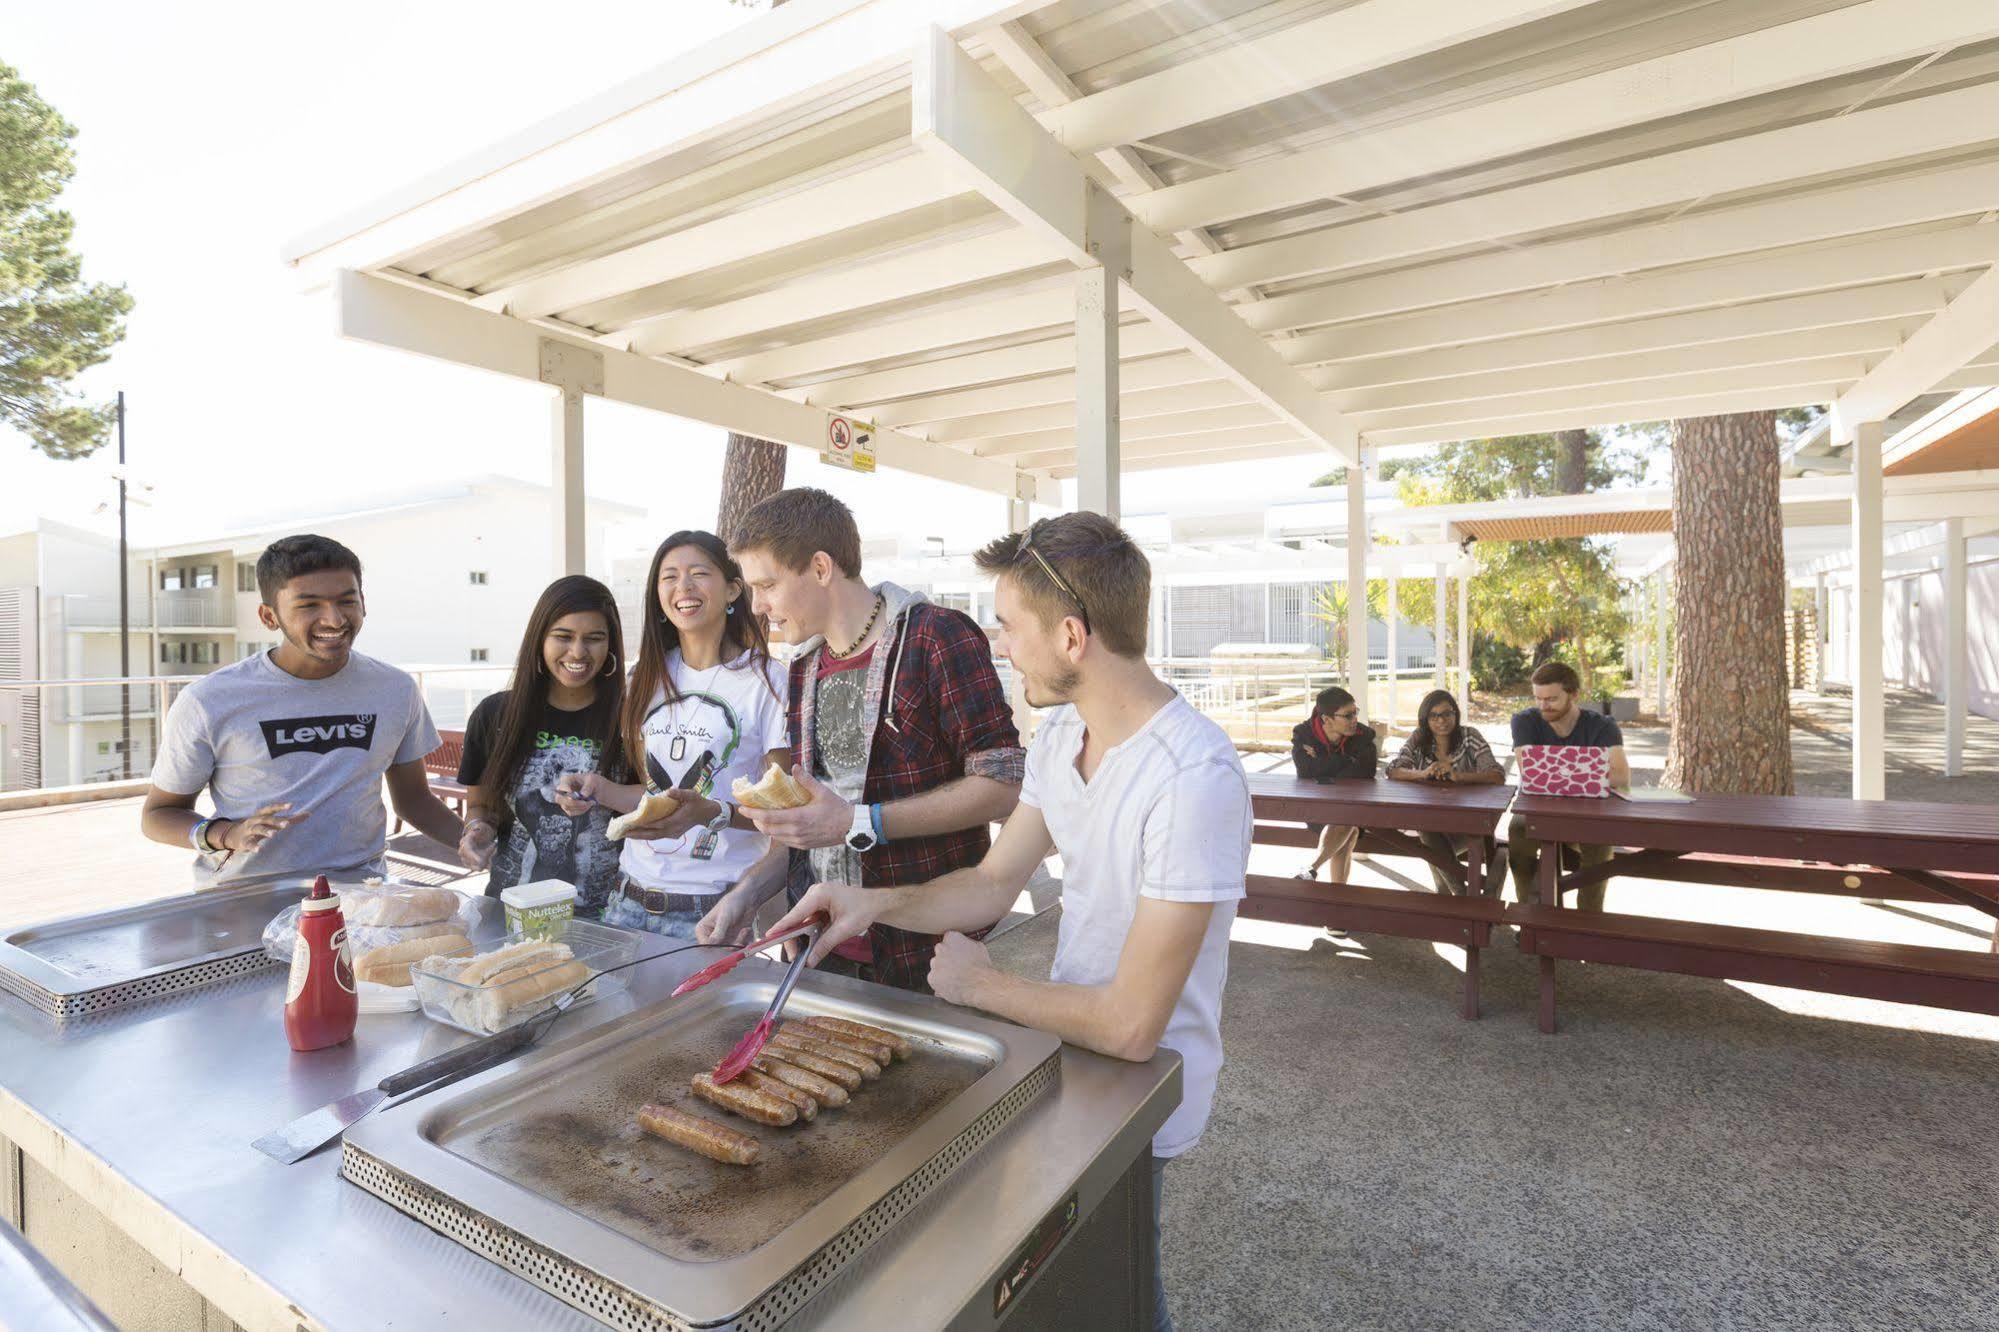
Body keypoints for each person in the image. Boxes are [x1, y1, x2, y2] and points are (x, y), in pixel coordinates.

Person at [769, 511, 1249, 1332]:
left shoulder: (1192, 777)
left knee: (1120, 1292)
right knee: (1057, 1291)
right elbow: (993, 883)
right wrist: (868, 905)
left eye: (1008, 626)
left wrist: (985, 986)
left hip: (1140, 1080)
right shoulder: (1064, 731)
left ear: (1069, 636)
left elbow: (1134, 1025)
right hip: (1066, 1050)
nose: (999, 644)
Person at [696, 487, 1023, 992]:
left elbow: (1005, 786)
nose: (758, 606)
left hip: (926, 956)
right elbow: (816, 827)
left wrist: (861, 821)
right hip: (819, 952)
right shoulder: (803, 665)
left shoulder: (935, 636)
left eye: (768, 586)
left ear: (821, 568)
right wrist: (749, 893)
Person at [140, 534, 463, 885]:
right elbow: (158, 815)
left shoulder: (396, 689)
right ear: (268, 616)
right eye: (309, 605)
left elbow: (415, 801)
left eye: (346, 601)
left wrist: (479, 844)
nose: (334, 619)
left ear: (363, 603)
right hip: (245, 900)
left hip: (363, 897)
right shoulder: (208, 700)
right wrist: (225, 834)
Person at [552, 532, 789, 941]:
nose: (684, 587)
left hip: (714, 908)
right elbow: (657, 796)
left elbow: (784, 816)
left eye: (699, 573)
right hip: (627, 899)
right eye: (670, 576)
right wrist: (599, 791)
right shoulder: (643, 676)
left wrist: (709, 813)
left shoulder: (767, 680)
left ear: (734, 589)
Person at [455, 575, 627, 916]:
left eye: (594, 638)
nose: (578, 652)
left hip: (607, 916)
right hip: (509, 911)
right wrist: (476, 831)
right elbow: (480, 807)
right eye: (563, 636)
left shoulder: (631, 718)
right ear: (539, 639)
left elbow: (649, 802)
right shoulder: (494, 714)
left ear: (611, 646)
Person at [1506, 661, 1630, 911]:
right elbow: (1530, 772)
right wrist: (1589, 772)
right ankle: (1531, 915)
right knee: (1519, 831)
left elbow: (1621, 778)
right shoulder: (1525, 721)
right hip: (1538, 811)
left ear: (1574, 695)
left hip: (1589, 815)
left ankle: (1586, 922)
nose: (1543, 706)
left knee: (1600, 840)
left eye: (1551, 699)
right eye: (1538, 698)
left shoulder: (1602, 726)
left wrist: (1556, 773)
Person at [1385, 688, 1504, 894]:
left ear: (1455, 714)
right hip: (1434, 824)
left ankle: (1454, 897)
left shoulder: (1469, 736)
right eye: (1434, 715)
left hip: (1470, 824)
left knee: (1429, 838)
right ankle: (1460, 895)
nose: (1442, 720)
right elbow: (1393, 770)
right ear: (1425, 719)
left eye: (1447, 713)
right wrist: (1423, 773)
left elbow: (1497, 775)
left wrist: (1459, 777)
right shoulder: (1419, 738)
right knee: (1426, 828)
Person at [1290, 685, 1375, 883]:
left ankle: (1312, 868)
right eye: (1348, 716)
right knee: (1348, 826)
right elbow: (1305, 771)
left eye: (1355, 713)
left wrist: (1320, 762)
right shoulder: (1303, 734)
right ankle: (1338, 895)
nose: (1355, 720)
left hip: (1353, 806)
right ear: (1326, 719)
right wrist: (1347, 761)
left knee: (1347, 820)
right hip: (1317, 807)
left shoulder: (1364, 737)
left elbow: (1364, 774)